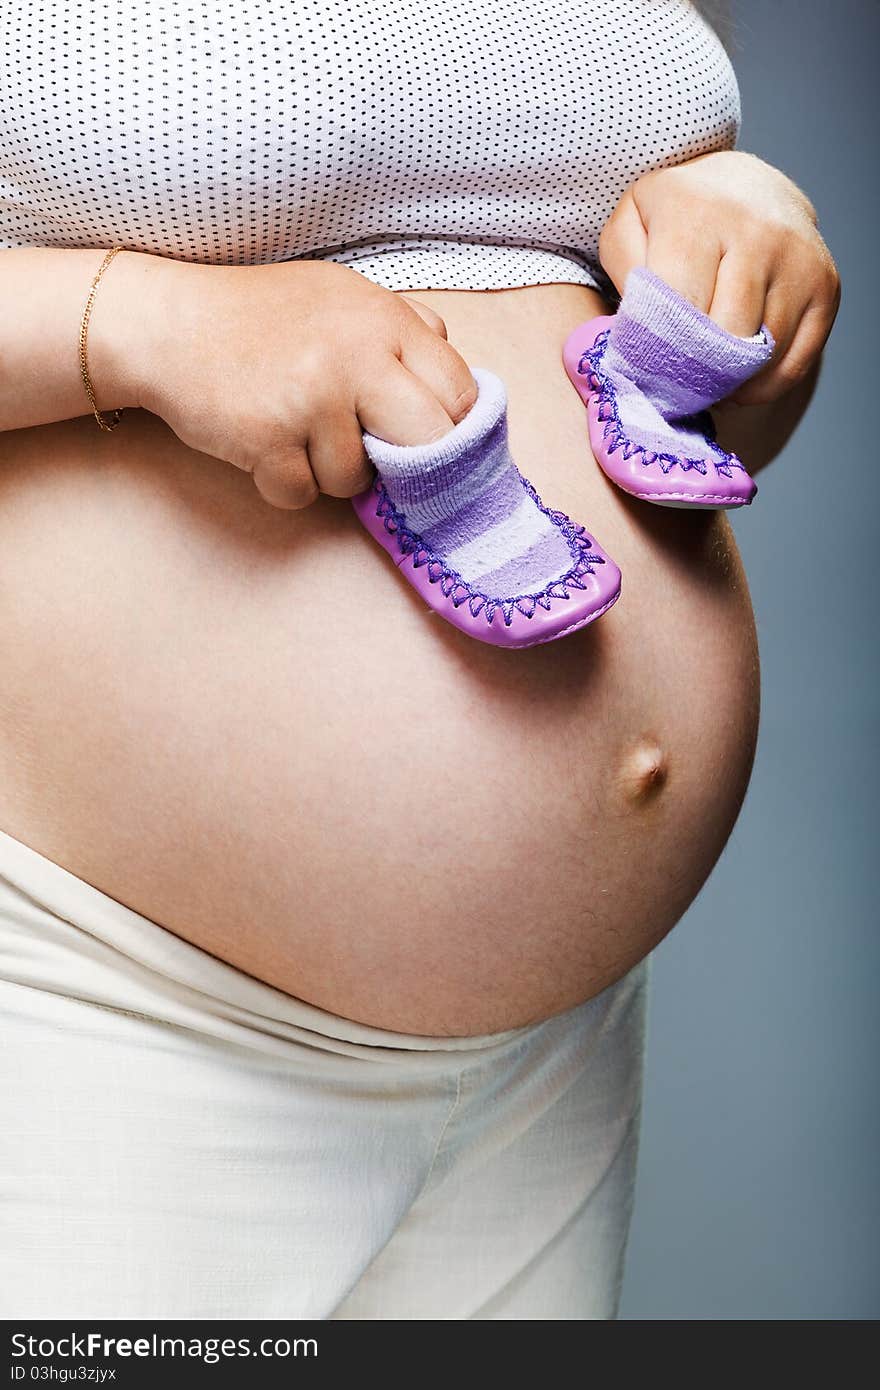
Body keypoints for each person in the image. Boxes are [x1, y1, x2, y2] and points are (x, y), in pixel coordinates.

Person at [0, 0, 838, 1318]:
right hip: (107, 990)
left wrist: (742, 248)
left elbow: (677, 432)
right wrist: (140, 325)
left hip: (548, 1074)